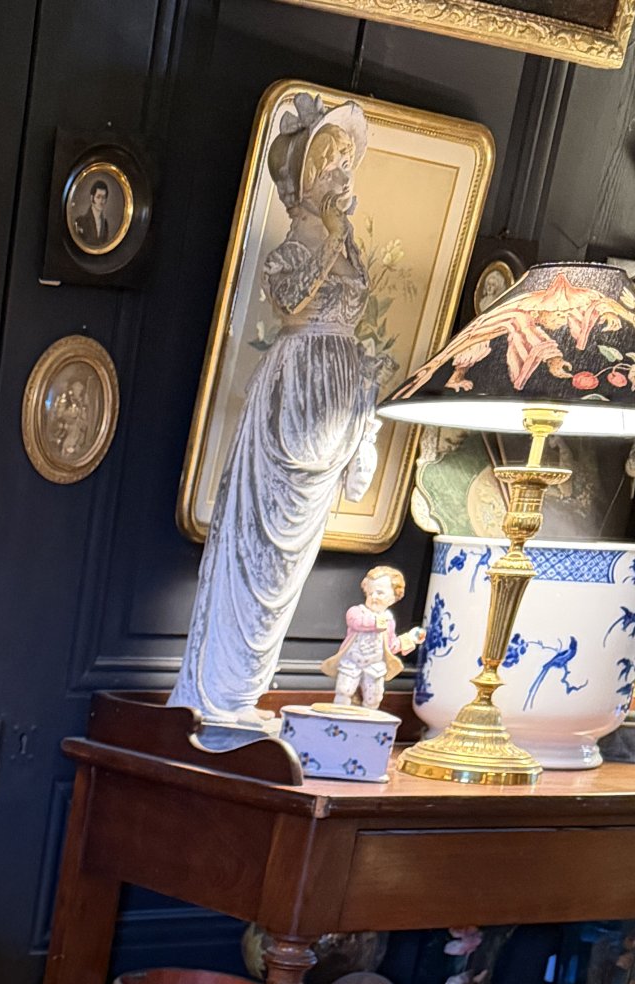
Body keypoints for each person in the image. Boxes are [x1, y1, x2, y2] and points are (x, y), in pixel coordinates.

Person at [172, 97, 383, 732]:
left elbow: (351, 314)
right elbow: (292, 302)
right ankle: (220, 694)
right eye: (329, 162)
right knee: (257, 549)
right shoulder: (294, 249)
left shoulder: (348, 246)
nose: (342, 173)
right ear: (304, 179)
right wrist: (330, 235)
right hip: (291, 400)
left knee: (291, 565)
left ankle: (247, 693)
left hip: (334, 405)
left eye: (345, 161)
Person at [324, 563, 423, 709]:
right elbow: (356, 622)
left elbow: (390, 646)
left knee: (374, 697)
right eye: (370, 593)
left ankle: (369, 719)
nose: (373, 597)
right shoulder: (357, 612)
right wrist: (375, 623)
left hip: (374, 666)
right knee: (344, 691)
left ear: (393, 598)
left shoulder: (388, 620)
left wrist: (409, 639)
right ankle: (339, 714)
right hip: (352, 662)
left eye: (380, 593)